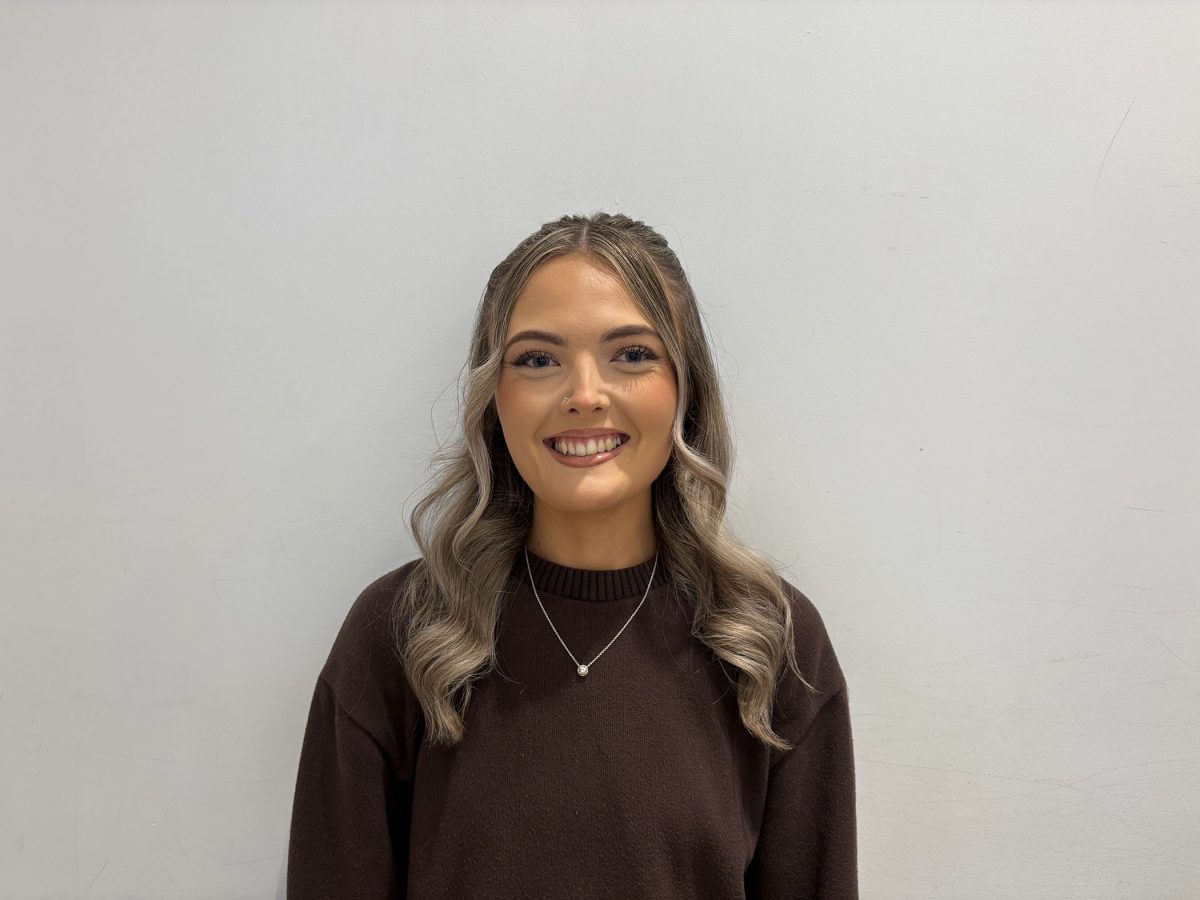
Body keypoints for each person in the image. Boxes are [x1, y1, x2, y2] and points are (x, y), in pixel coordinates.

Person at [286, 212, 858, 899]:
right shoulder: (402, 634)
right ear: (494, 397)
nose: (585, 395)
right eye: (537, 360)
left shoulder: (769, 643)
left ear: (686, 387)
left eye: (633, 354)